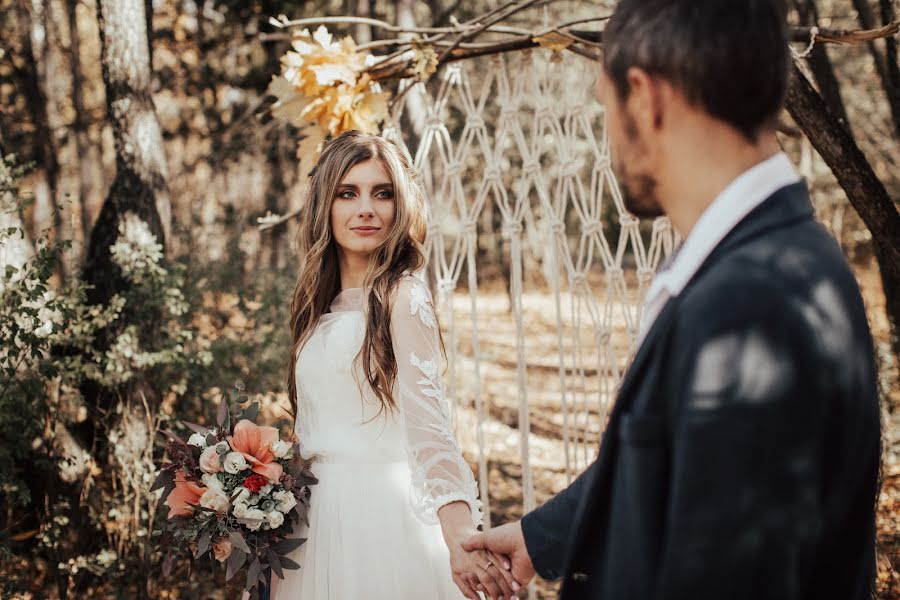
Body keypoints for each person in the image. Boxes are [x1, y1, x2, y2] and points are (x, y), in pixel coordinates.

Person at [462, 1, 882, 598]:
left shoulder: (749, 305)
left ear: (644, 96)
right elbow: (693, 461)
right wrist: (541, 537)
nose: (609, 131)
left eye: (606, 105)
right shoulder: (778, 257)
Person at [267, 130, 517, 600]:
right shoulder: (315, 308)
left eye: (382, 193)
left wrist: (461, 535)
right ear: (326, 205)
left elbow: (430, 427)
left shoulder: (402, 296)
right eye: (348, 193)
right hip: (311, 522)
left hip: (381, 520)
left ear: (400, 207)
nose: (366, 208)